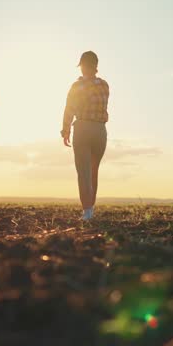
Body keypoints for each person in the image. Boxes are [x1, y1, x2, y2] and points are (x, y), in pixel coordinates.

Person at [62, 51, 110, 221]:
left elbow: (70, 109)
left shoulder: (77, 86)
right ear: (96, 66)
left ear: (82, 65)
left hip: (82, 128)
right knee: (93, 170)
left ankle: (87, 211)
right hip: (100, 130)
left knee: (83, 172)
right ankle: (91, 208)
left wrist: (65, 130)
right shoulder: (104, 85)